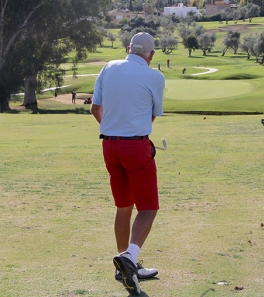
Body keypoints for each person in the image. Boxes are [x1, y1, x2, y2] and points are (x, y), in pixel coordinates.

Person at [90, 32, 165, 296]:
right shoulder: (156, 76)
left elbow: (95, 108)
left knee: (124, 206)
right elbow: (153, 114)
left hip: (109, 145)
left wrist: (115, 130)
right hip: (136, 146)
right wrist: (132, 134)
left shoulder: (108, 67)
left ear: (128, 49)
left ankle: (124, 267)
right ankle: (130, 259)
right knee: (148, 207)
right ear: (151, 55)